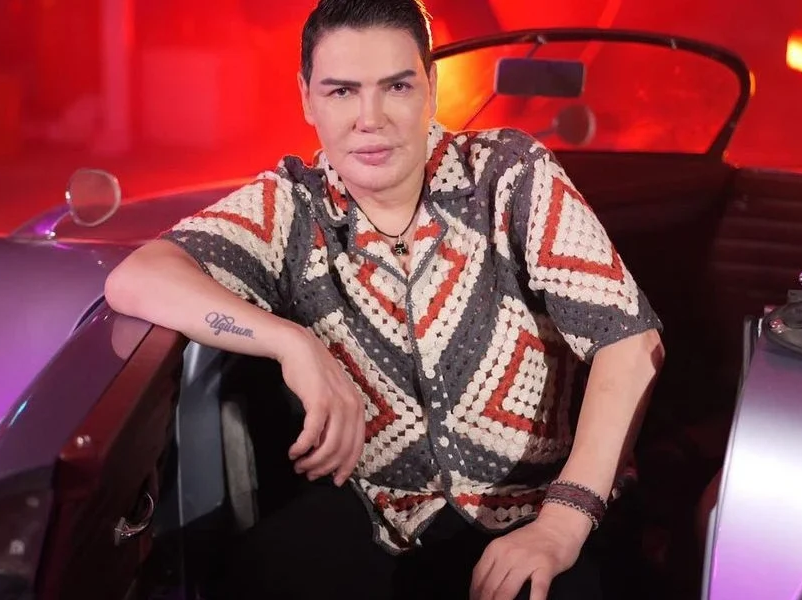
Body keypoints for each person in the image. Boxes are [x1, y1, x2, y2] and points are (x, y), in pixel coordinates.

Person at [103, 0, 664, 598]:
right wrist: (291, 343)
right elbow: (139, 276)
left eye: (396, 86)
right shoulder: (292, 206)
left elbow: (630, 344)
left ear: (431, 88)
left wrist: (560, 525)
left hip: (544, 510)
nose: (369, 119)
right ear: (306, 98)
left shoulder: (509, 174)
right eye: (342, 91)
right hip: (386, 522)